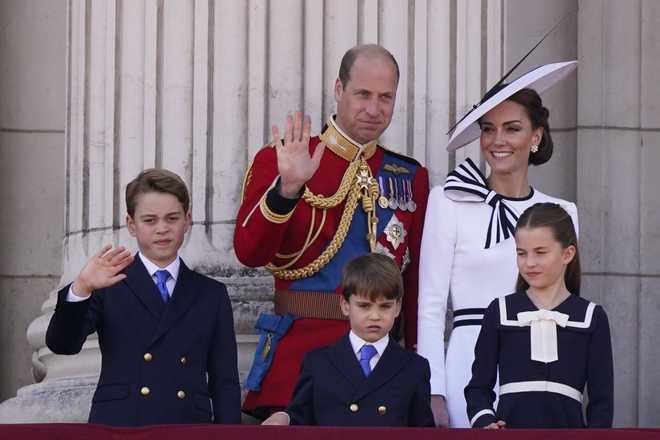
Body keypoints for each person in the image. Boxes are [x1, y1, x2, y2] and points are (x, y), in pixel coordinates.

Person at [235, 44, 429, 418]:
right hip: (298, 365)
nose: (374, 110)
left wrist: (416, 358)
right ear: (339, 90)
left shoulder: (409, 176)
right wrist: (287, 189)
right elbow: (249, 252)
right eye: (363, 95)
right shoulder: (285, 157)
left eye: (386, 97)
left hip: (381, 371)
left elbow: (416, 280)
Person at [416, 61, 580, 427]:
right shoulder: (448, 201)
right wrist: (433, 390)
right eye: (488, 129)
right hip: (466, 364)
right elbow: (429, 306)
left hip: (540, 367)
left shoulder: (561, 213)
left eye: (512, 128)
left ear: (536, 136)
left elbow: (566, 311)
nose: (497, 140)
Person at [46, 169, 241, 426]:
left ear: (187, 220)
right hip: (121, 424)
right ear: (131, 224)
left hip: (187, 425)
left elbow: (224, 380)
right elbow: (62, 345)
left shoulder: (211, 294)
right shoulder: (108, 283)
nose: (162, 229)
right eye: (150, 220)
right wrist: (81, 287)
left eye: (172, 218)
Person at [465, 203, 613, 428]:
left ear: (568, 253)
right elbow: (478, 388)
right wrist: (486, 421)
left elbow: (602, 402)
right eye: (521, 253)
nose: (529, 263)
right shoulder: (500, 311)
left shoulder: (592, 317)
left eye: (540, 252)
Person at [261, 254, 434, 427]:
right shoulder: (318, 363)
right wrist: (285, 417)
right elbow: (300, 417)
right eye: (364, 306)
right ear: (345, 305)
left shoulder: (414, 368)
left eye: (385, 306)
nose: (375, 316)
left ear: (397, 307)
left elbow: (423, 431)